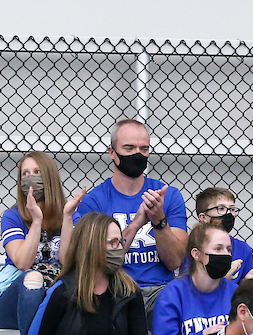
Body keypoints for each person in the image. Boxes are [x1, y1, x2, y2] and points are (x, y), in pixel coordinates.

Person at [73, 120, 188, 317]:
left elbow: (174, 262)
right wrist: (135, 225)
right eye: (129, 148)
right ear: (112, 153)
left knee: (178, 303)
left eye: (144, 149)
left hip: (160, 291)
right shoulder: (94, 201)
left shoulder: (168, 195)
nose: (137, 154)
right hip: (115, 290)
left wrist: (159, 220)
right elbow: (97, 263)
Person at [0, 152, 85, 335]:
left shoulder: (71, 216)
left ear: (49, 178)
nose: (30, 178)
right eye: (25, 174)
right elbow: (23, 263)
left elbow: (66, 260)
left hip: (52, 297)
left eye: (37, 172)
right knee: (33, 277)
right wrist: (36, 221)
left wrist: (67, 217)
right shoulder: (12, 216)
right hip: (12, 299)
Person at [148, 221, 238, 335]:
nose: (226, 255)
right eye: (218, 249)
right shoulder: (172, 294)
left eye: (228, 250)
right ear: (196, 254)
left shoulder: (236, 294)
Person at [193, 188, 253, 283]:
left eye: (232, 209)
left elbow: (242, 290)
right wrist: (224, 279)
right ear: (203, 217)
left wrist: (249, 281)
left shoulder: (243, 248)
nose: (228, 214)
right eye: (221, 209)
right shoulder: (193, 246)